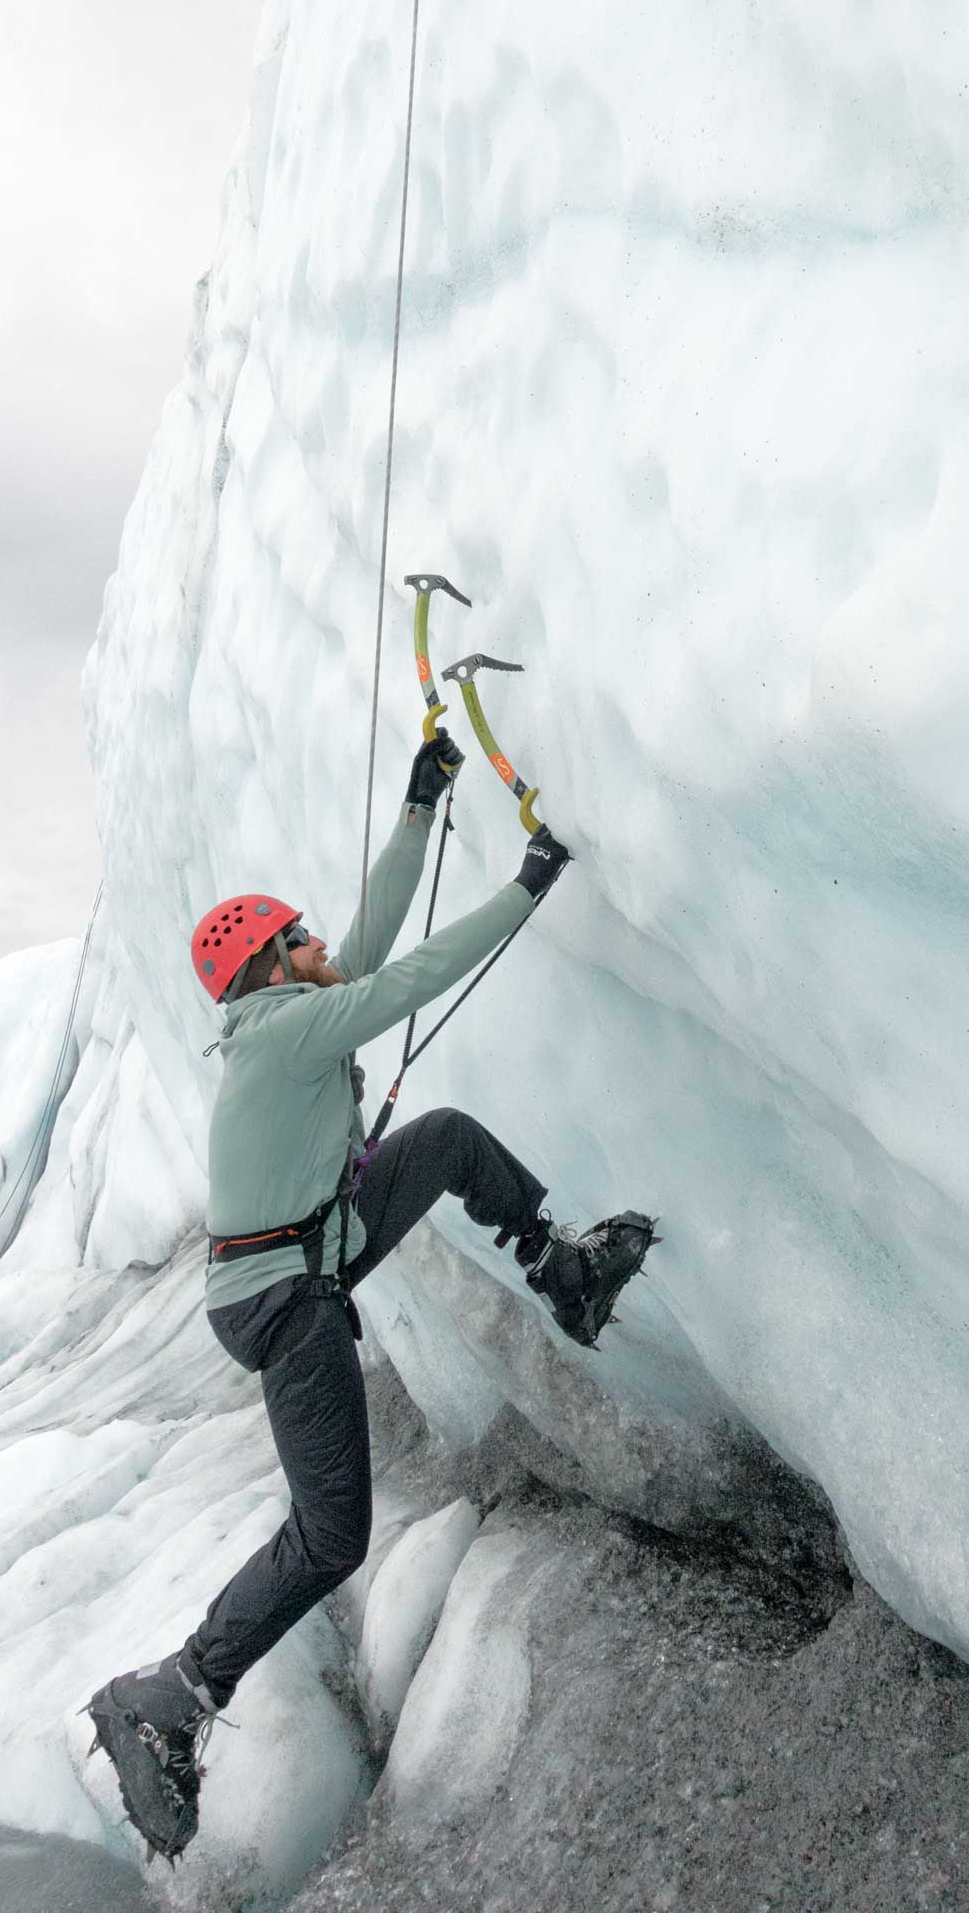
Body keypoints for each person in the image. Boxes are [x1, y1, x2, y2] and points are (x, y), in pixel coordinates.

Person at [83, 733, 656, 1864]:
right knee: (332, 1534)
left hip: (311, 1253)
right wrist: (527, 886)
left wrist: (417, 805)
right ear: (265, 965)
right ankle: (173, 1692)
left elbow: (373, 941)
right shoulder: (289, 1031)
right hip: (286, 1300)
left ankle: (561, 1273)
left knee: (439, 1138)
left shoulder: (286, 1020)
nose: (315, 942)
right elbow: (404, 978)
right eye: (296, 937)